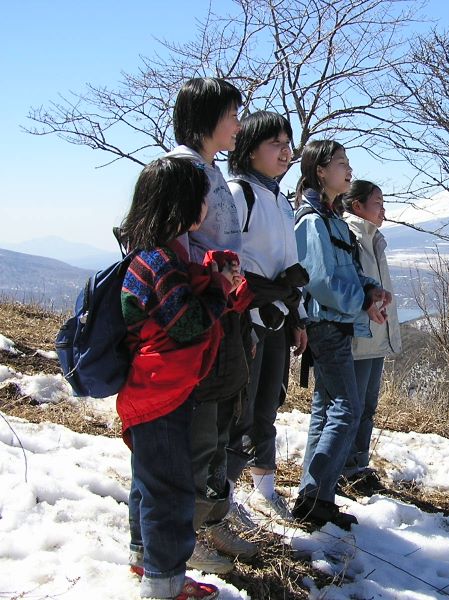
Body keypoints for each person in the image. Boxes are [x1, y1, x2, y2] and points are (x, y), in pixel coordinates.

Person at [118, 156, 239, 600]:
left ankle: (143, 556)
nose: (207, 206)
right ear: (182, 206)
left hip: (151, 390)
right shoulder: (159, 262)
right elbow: (187, 324)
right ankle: (165, 582)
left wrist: (212, 277)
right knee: (170, 491)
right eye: (201, 198)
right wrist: (221, 291)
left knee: (149, 481)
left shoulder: (156, 256)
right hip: (160, 393)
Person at [167, 77, 256, 573]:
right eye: (231, 114)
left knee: (223, 419)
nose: (239, 124)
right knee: (199, 425)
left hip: (223, 312)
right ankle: (185, 532)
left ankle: (210, 516)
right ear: (205, 117)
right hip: (196, 316)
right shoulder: (180, 172)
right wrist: (213, 273)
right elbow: (168, 250)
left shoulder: (211, 170)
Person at [292, 140, 392, 529]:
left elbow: (348, 271)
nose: (348, 169)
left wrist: (370, 289)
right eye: (340, 163)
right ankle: (316, 498)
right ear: (320, 170)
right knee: (346, 409)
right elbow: (321, 281)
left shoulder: (334, 219)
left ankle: (312, 496)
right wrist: (361, 301)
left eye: (348, 163)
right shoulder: (312, 221)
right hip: (326, 325)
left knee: (327, 410)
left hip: (338, 323)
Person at [225, 111, 309, 520]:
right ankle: (219, 497)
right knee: (238, 407)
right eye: (275, 143)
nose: (285, 151)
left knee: (267, 404)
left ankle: (264, 489)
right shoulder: (239, 194)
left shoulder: (279, 199)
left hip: (277, 315)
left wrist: (297, 318)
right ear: (249, 148)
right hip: (246, 317)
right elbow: (228, 261)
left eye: (287, 144)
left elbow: (288, 263)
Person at [341, 181, 402, 490]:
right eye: (377, 203)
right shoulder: (350, 238)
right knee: (351, 407)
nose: (383, 210)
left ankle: (358, 466)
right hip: (357, 336)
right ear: (357, 206)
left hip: (374, 336)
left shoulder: (373, 239)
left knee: (366, 406)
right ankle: (344, 470)